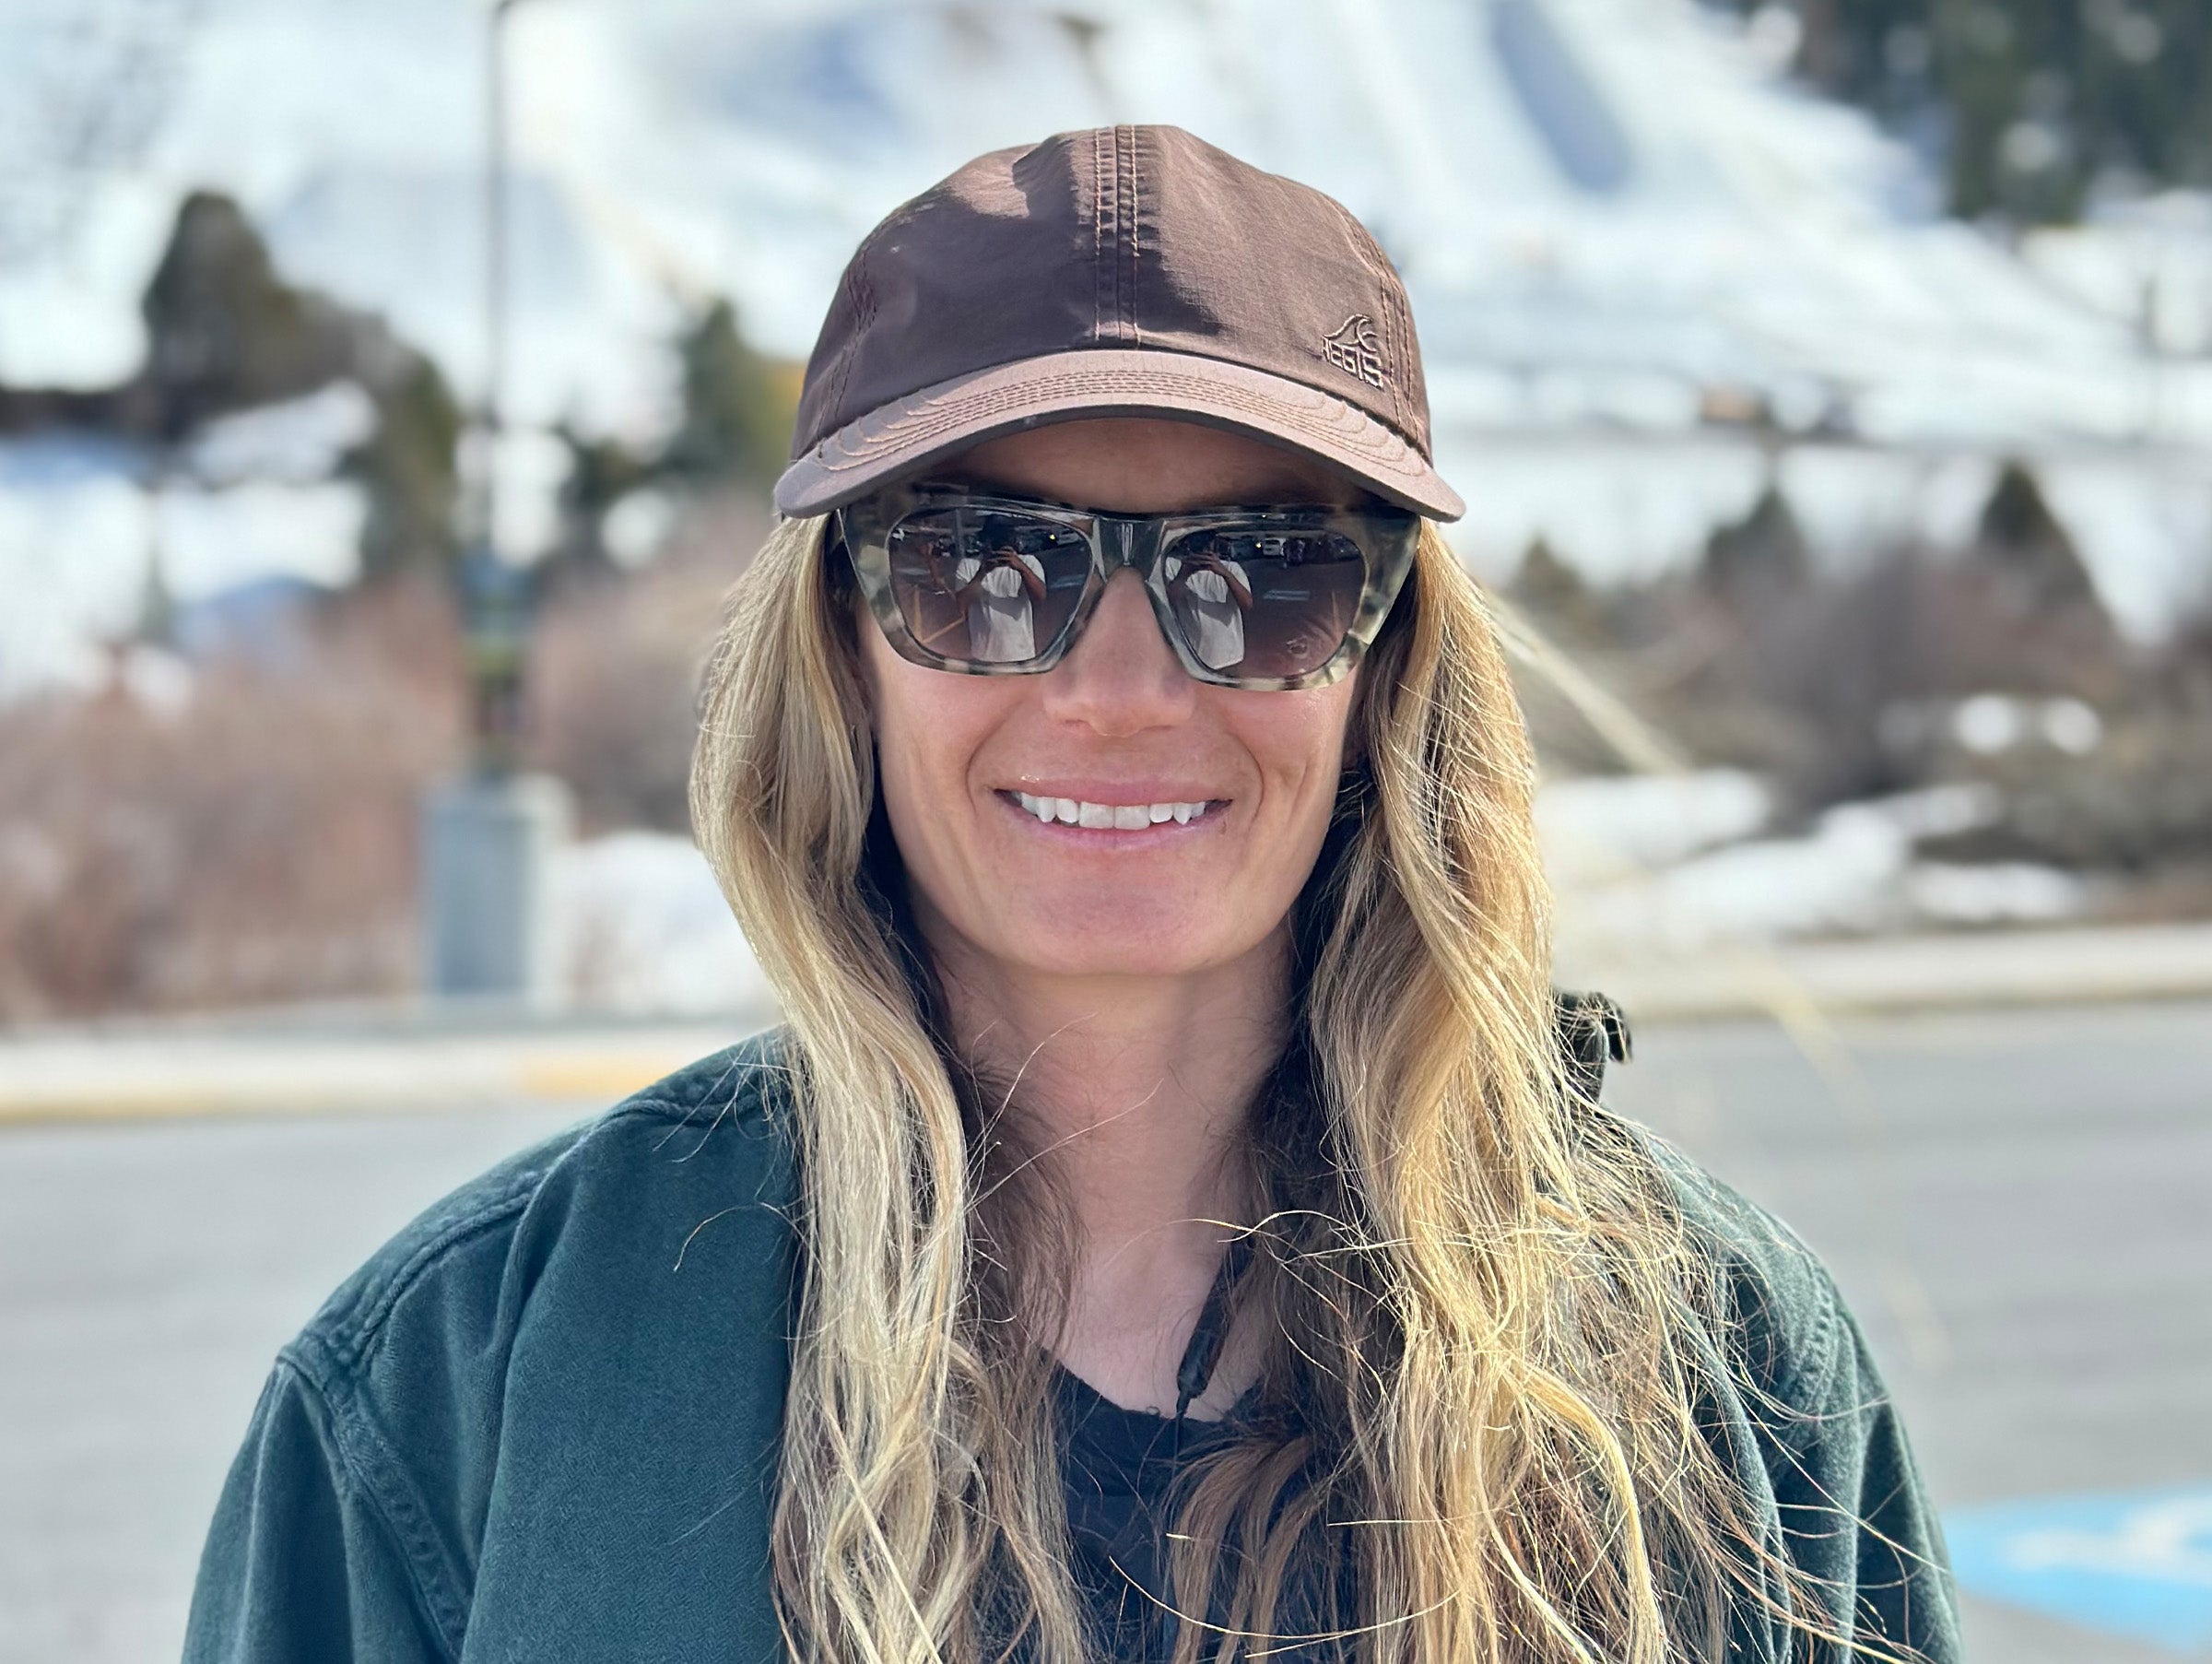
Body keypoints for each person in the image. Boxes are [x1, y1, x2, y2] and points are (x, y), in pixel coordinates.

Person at [184, 125, 1959, 1664]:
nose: (1119, 691)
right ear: (843, 648)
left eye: (1257, 574)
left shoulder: (1721, 1369)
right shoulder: (459, 1396)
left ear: (1382, 661)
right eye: (985, 565)